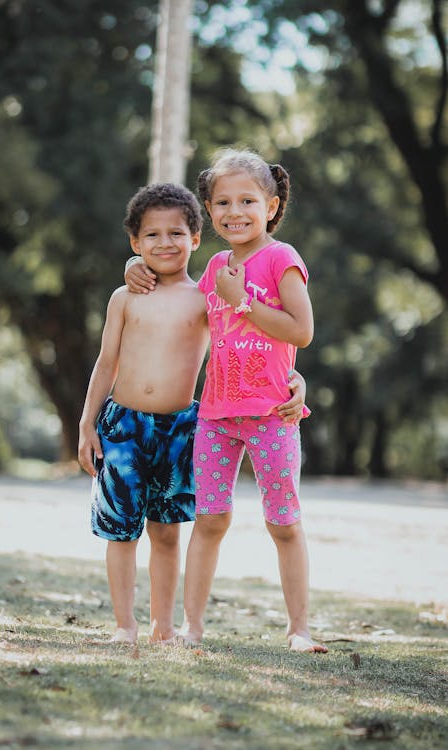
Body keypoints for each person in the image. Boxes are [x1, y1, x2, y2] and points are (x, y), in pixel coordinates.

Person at [79, 182, 307, 646]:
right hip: (122, 425)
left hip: (182, 427)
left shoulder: (208, 295)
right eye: (152, 237)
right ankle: (125, 626)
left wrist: (295, 379)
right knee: (120, 532)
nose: (165, 243)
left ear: (196, 240)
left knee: (166, 532)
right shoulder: (124, 297)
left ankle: (165, 626)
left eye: (176, 234)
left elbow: (262, 337)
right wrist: (87, 423)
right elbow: (107, 362)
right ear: (135, 244)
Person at [125, 148, 327, 653]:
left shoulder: (282, 259)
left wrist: (244, 302)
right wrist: (134, 263)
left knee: (282, 520)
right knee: (211, 520)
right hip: (215, 416)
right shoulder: (214, 264)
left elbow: (300, 331)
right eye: (222, 202)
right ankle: (192, 628)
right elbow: (172, 278)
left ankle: (299, 630)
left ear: (272, 205)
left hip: (270, 416)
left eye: (247, 201)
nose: (234, 212)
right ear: (209, 210)